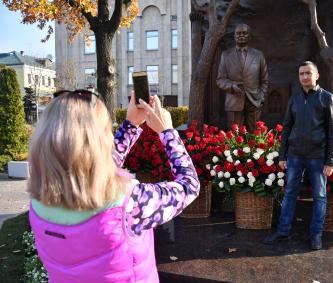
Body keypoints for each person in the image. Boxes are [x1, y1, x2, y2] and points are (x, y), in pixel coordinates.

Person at [27, 89, 200, 282]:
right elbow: (189, 186)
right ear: (100, 141)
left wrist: (131, 124)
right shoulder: (128, 203)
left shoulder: (38, 202)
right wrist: (167, 132)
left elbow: (94, 166)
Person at [263, 61, 333, 250]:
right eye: (301, 74)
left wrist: (331, 160)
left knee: (319, 196)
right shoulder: (294, 99)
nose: (304, 77)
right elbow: (287, 127)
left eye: (308, 73)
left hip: (318, 156)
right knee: (289, 194)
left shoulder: (327, 98)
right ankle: (283, 230)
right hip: (295, 155)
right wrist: (282, 155)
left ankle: (316, 235)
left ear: (316, 75)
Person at [216, 23, 269, 132]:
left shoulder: (258, 55)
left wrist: (261, 96)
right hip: (234, 101)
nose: (241, 35)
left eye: (244, 33)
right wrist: (231, 85)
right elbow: (220, 79)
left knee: (255, 136)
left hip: (254, 101)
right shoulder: (225, 55)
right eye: (238, 33)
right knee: (234, 138)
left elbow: (265, 79)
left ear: (249, 36)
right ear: (234, 36)